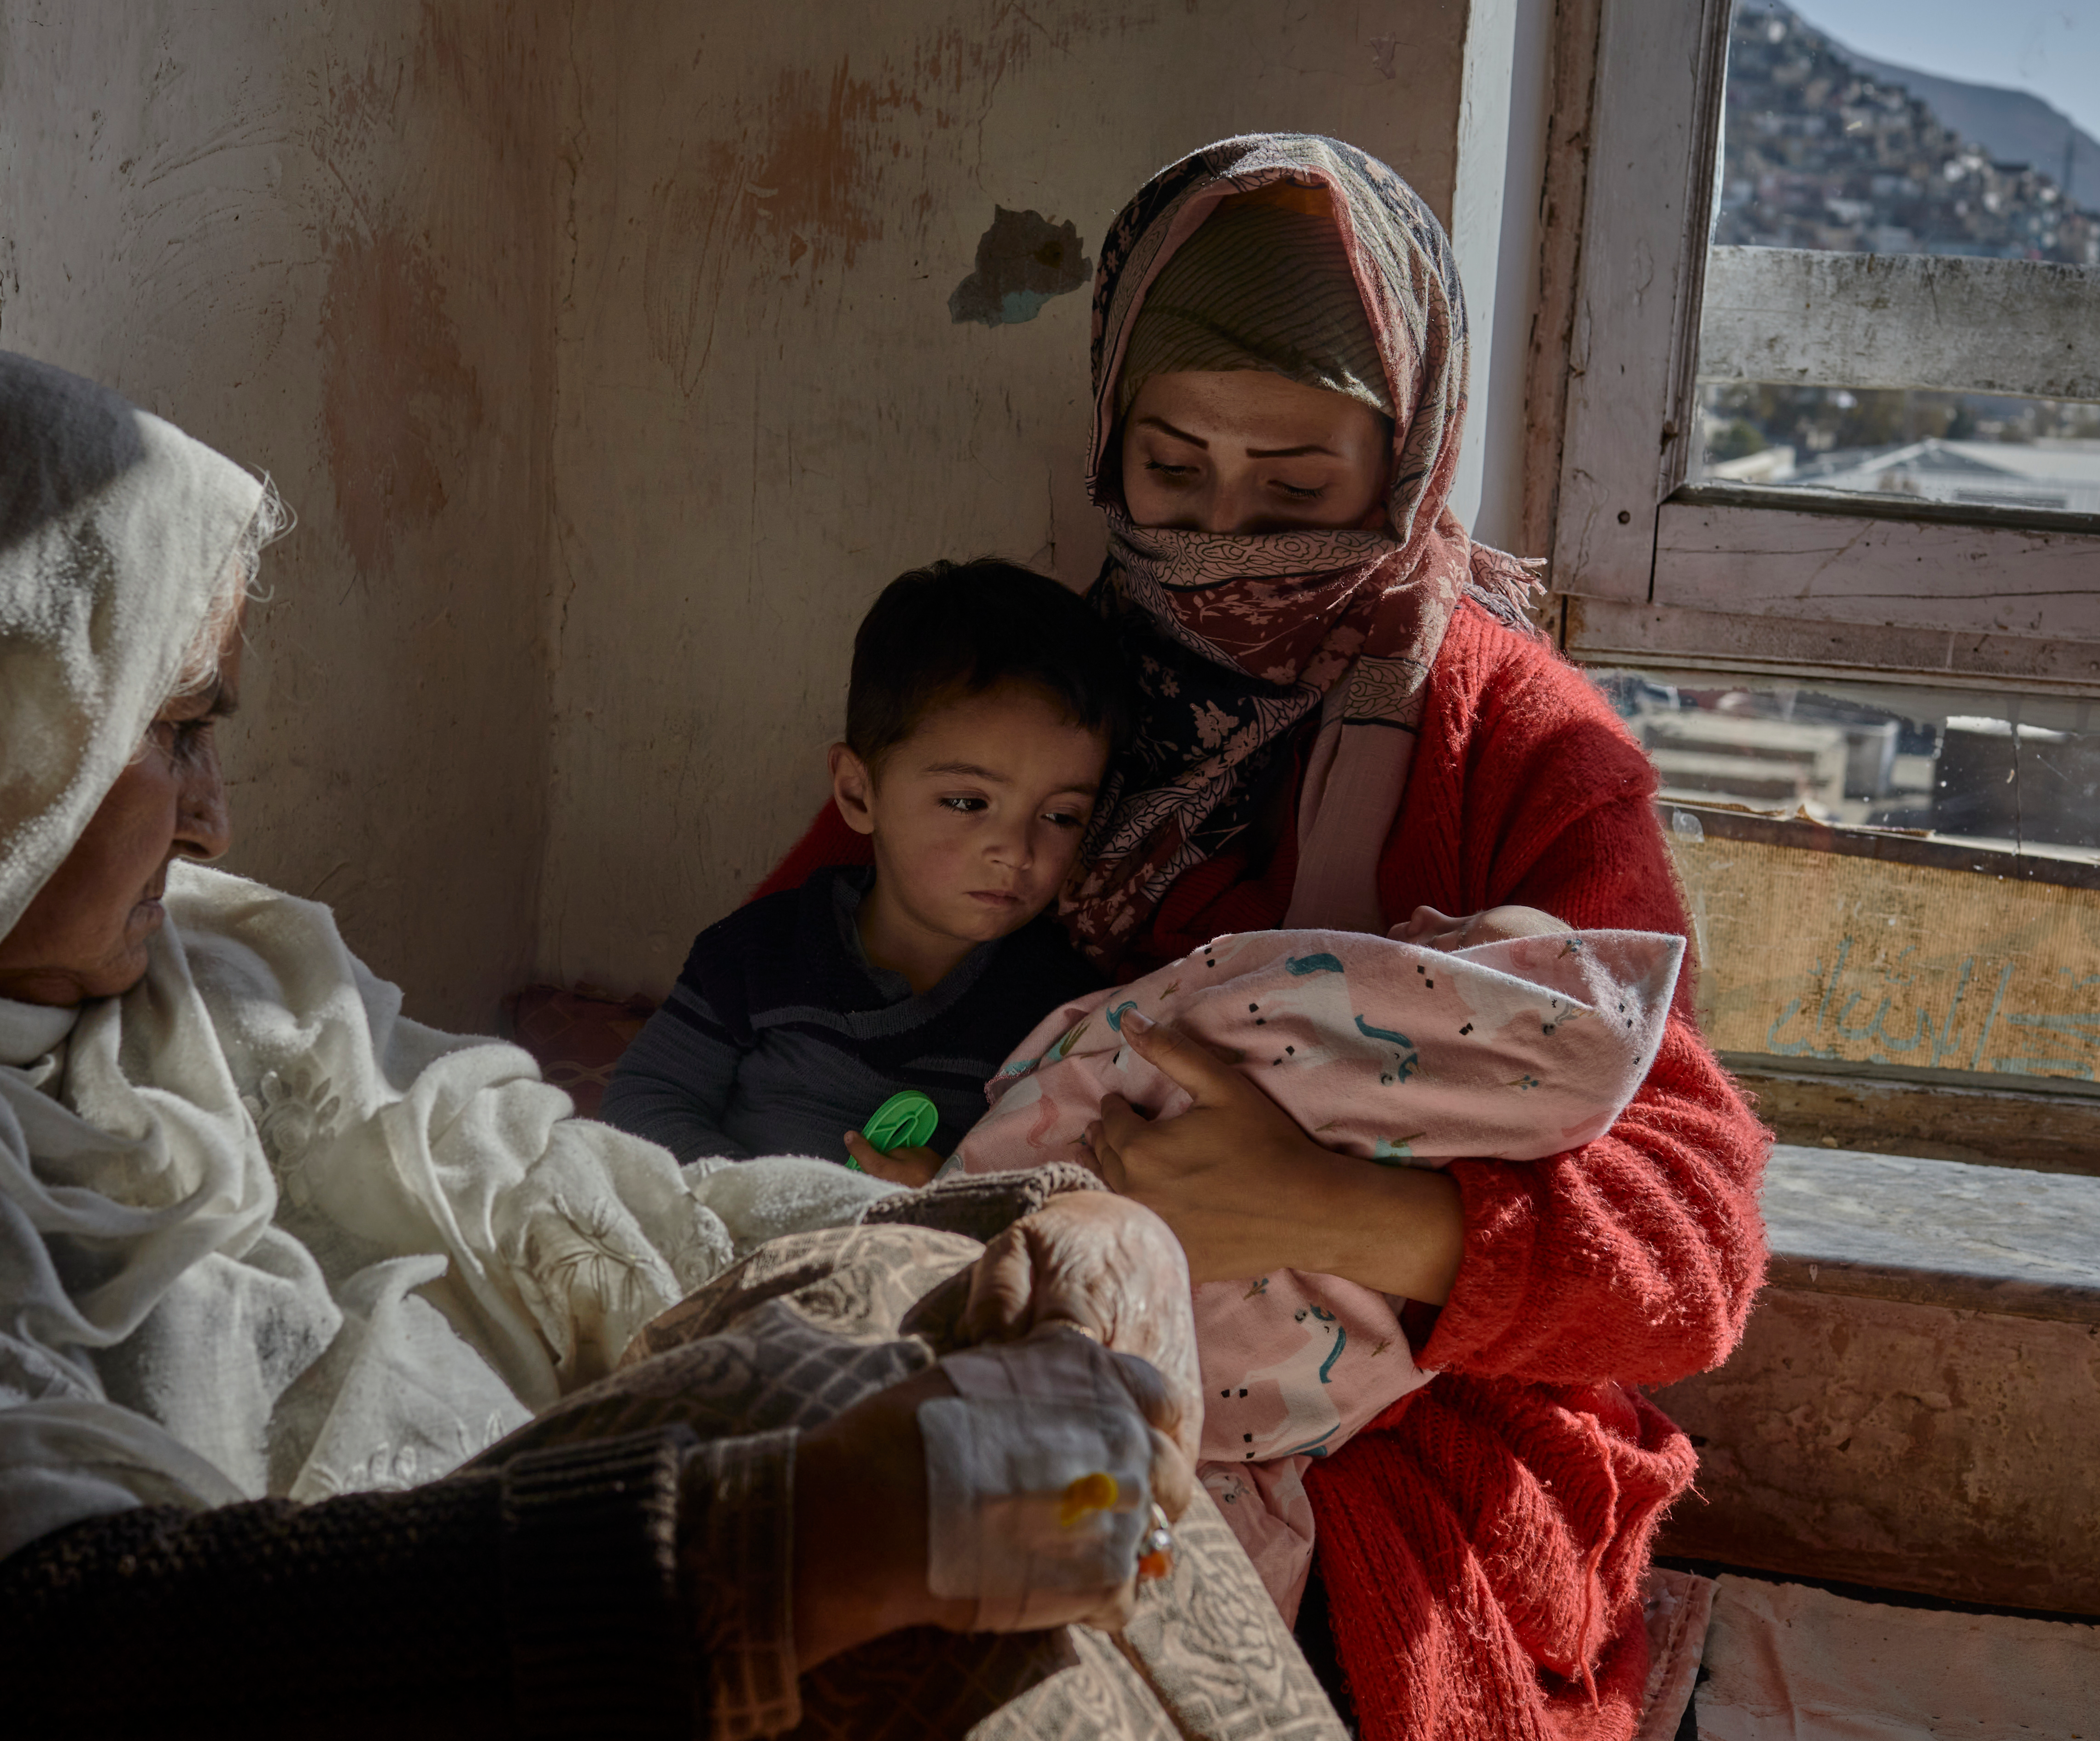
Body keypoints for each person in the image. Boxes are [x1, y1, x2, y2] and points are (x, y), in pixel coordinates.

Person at [0, 346, 1234, 1741]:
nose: (221, 819)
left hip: (457, 1588)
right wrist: (774, 1547)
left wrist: (1047, 1231)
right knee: (887, 1493)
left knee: (930, 1319)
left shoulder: (207, 986)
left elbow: (588, 1192)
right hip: (330, 1657)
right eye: (171, 731)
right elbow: (23, 1651)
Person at [754, 135, 1774, 1739]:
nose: (1224, 535)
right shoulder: (1030, 694)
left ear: (1412, 456)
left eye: (1298, 488)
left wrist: (1335, 1216)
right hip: (1009, 1326)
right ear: (1109, 437)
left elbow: (1692, 1255)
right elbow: (802, 986)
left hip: (1394, 1436)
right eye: (1173, 471)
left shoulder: (1521, 749)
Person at [945, 904, 1684, 1615]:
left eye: (1457, 938)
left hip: (1383, 1496)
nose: (1422, 919)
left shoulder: (1512, 992)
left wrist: (1320, 1208)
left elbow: (1677, 1274)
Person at [602, 560, 1130, 1187]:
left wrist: (948, 1199)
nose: (1016, 851)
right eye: (968, 803)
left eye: (1061, 815)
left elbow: (1065, 1190)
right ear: (858, 794)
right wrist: (763, 1205)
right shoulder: (760, 953)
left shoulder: (1061, 1013)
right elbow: (642, 1101)